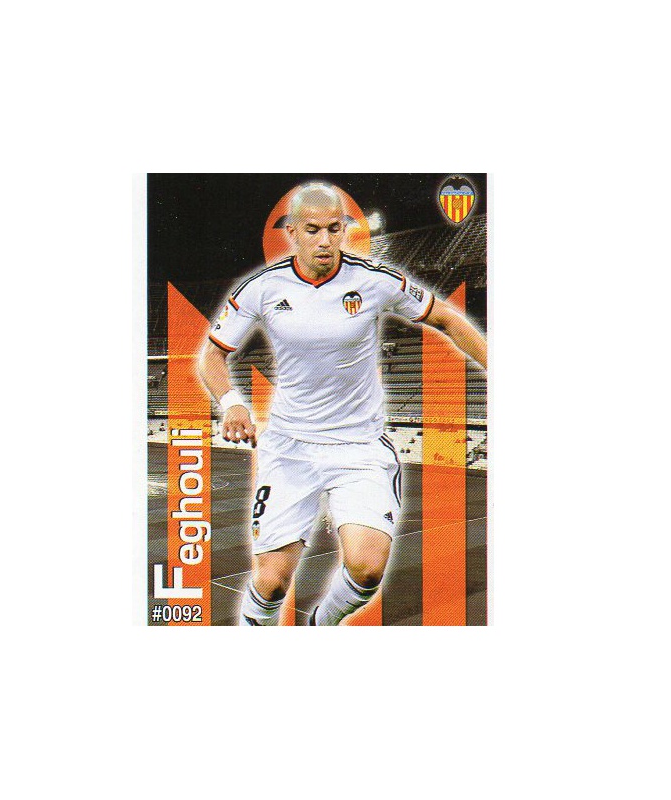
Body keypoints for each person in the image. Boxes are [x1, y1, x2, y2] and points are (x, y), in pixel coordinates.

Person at [197, 182, 487, 625]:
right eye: (313, 230)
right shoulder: (262, 288)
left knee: (367, 567)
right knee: (272, 582)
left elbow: (447, 318)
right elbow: (212, 355)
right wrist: (233, 403)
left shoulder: (374, 281)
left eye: (335, 228)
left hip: (359, 447)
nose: (325, 241)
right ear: (292, 233)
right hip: (290, 447)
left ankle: (322, 624)